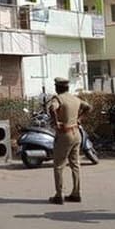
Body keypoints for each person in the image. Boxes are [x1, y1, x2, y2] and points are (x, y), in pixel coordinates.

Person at [46, 77, 91, 205]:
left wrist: (56, 122)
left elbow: (52, 108)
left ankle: (59, 195)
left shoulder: (58, 99)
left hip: (64, 134)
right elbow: (88, 107)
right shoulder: (75, 99)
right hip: (76, 132)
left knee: (59, 165)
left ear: (58, 88)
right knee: (75, 164)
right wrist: (80, 118)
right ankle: (76, 193)